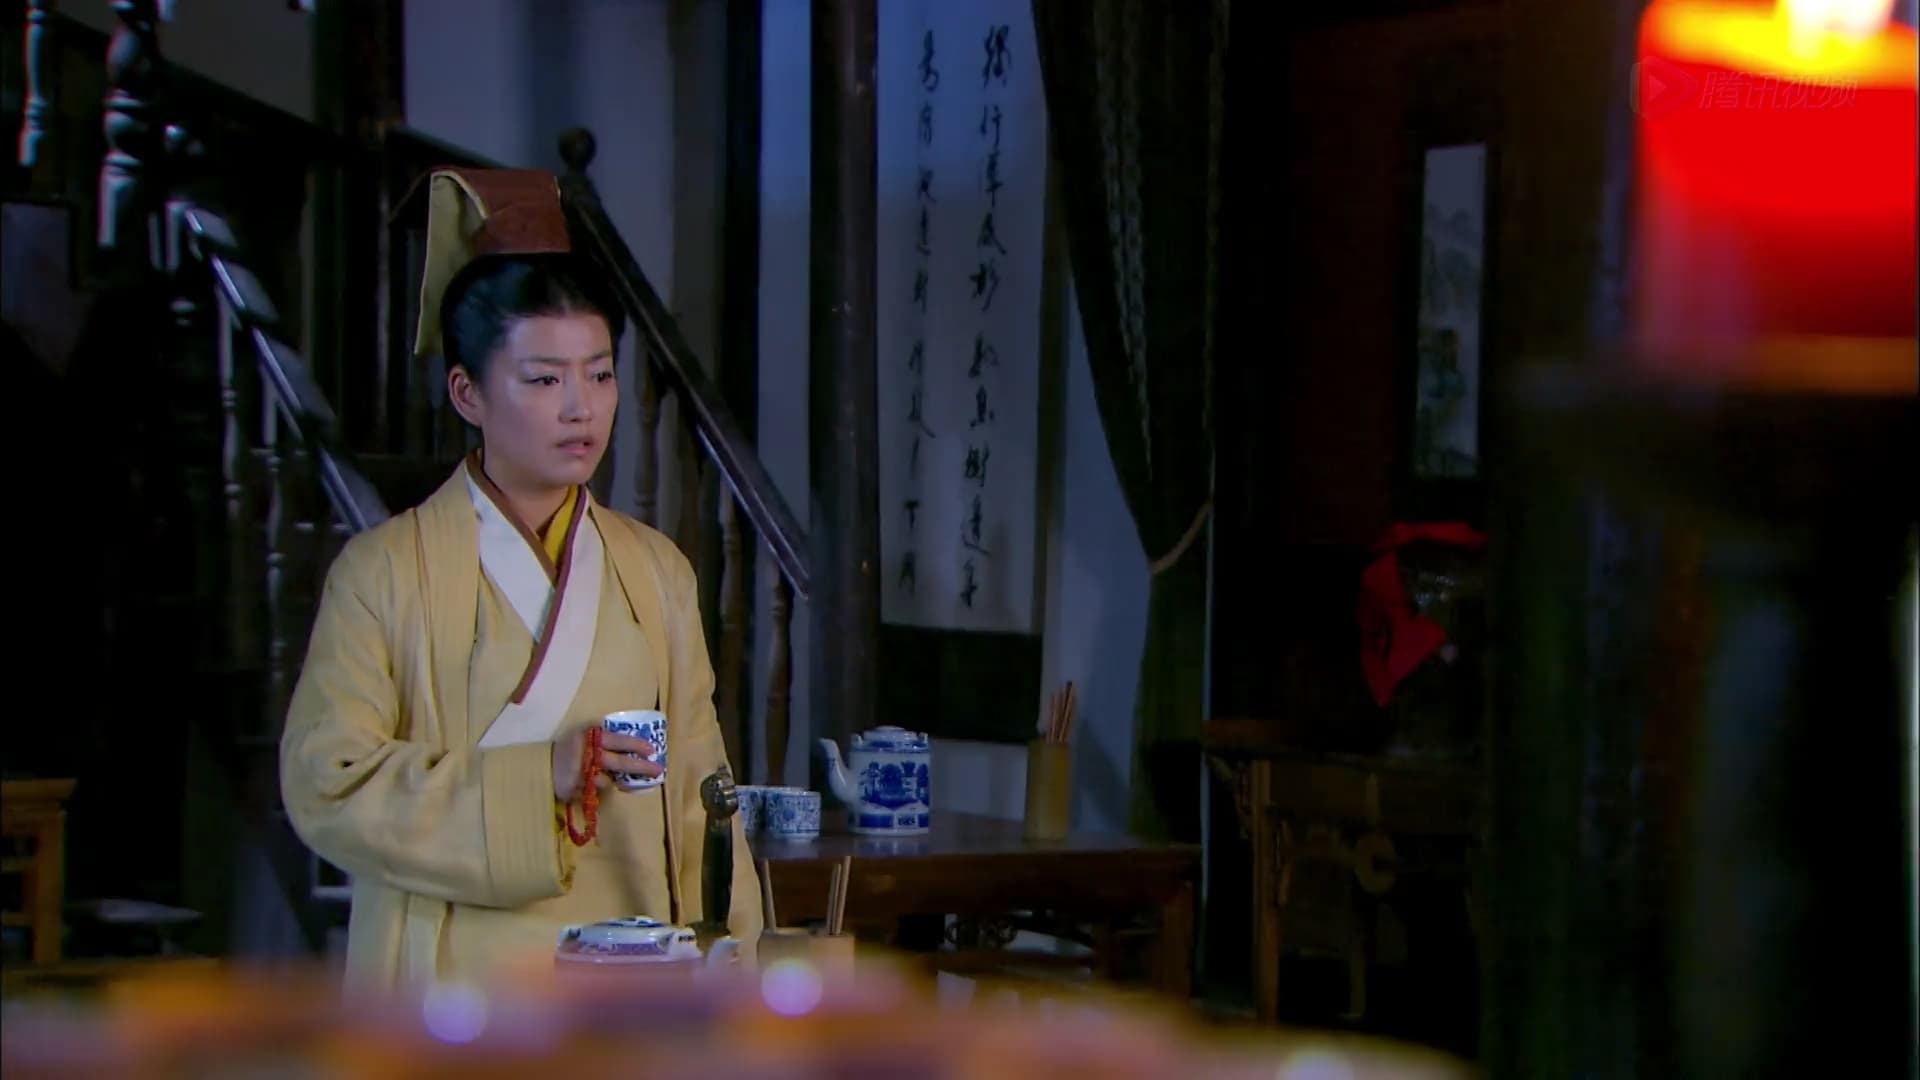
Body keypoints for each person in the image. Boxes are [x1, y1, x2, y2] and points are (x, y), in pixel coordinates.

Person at [280, 166, 762, 993]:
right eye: (544, 379)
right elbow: (328, 783)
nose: (583, 408)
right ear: (467, 392)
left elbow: (704, 802)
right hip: (455, 984)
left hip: (633, 987)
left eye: (600, 374)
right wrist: (539, 776)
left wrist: (738, 968)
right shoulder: (383, 573)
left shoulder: (656, 572)